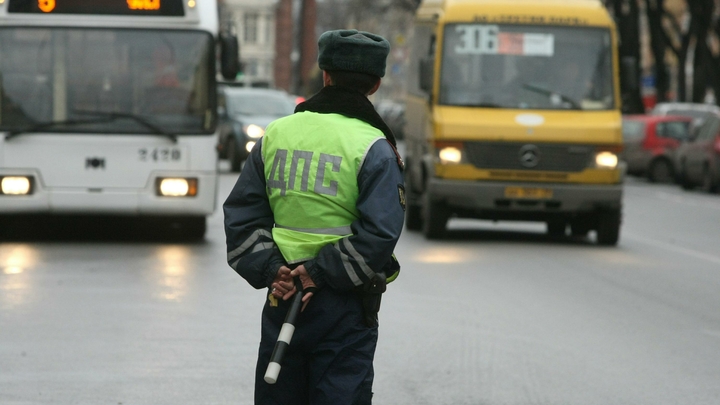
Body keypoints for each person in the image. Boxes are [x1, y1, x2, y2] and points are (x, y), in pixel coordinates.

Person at [223, 29, 405, 405]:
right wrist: (318, 273)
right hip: (343, 303)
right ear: (375, 85)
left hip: (283, 292)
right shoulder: (373, 147)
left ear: (325, 75)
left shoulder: (276, 134)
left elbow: (242, 217)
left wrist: (275, 270)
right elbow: (380, 231)